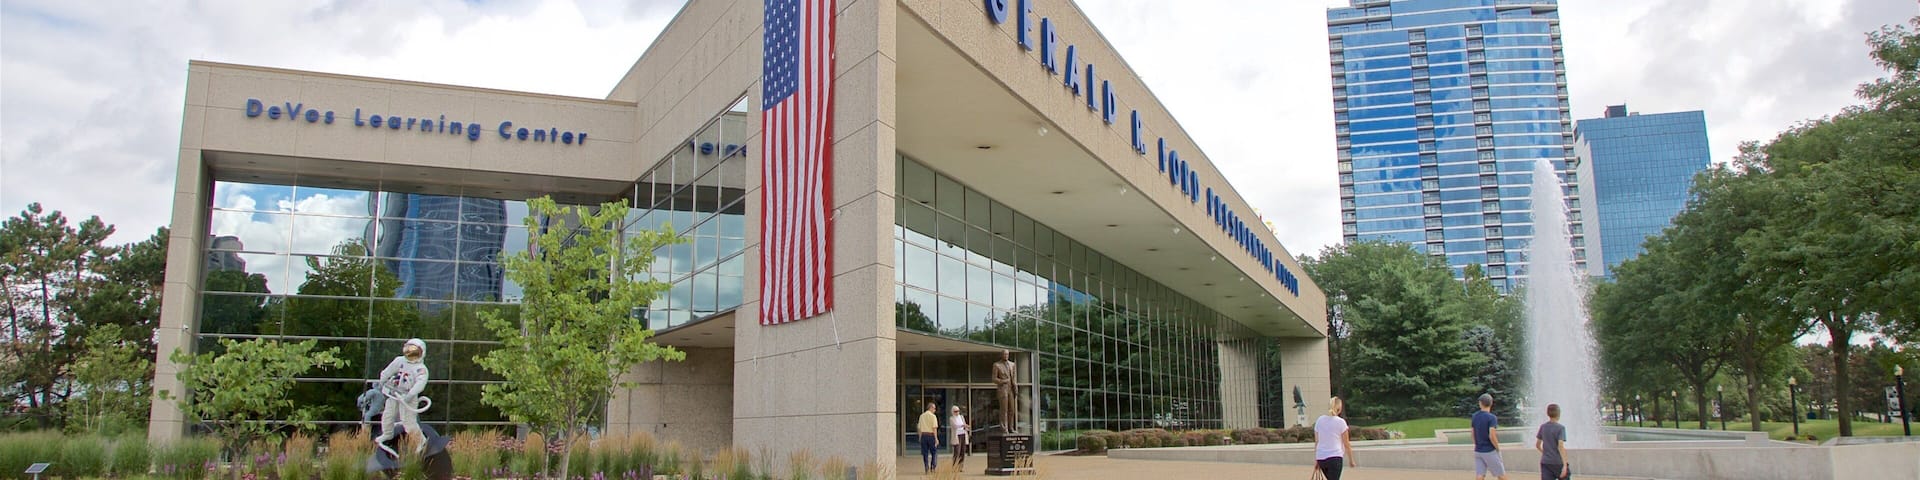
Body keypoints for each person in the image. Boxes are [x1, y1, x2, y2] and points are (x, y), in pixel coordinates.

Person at [373, 338, 431, 458]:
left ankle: (421, 441)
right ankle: (387, 433)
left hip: (407, 398)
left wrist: (409, 396)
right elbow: (388, 371)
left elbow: (420, 384)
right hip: (394, 393)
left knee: (408, 422)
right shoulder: (400, 361)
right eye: (408, 350)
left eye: (414, 351)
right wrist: (382, 380)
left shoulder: (421, 369)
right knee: (388, 415)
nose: (410, 353)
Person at [1312, 397, 1356, 480]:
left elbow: (1317, 442)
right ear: (1339, 408)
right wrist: (1351, 460)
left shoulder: (1320, 420)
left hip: (1321, 458)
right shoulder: (1341, 422)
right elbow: (1346, 443)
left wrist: (1317, 459)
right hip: (1335, 456)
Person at [1472, 393, 1509, 480]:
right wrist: (1497, 448)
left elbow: (1472, 433)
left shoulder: (1475, 416)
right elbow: (1492, 435)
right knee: (1501, 474)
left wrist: (1477, 444)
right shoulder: (1492, 418)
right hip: (1489, 450)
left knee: (1480, 475)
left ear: (1480, 403)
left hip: (1478, 450)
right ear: (1491, 403)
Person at [1535, 403, 1569, 480]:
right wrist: (1565, 465)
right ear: (1559, 414)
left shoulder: (1543, 427)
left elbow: (1537, 445)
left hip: (1546, 462)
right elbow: (1560, 446)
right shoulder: (1560, 428)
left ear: (1548, 414)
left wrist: (1545, 452)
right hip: (1558, 462)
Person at [992, 350, 1018, 432]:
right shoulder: (997, 365)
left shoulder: (1012, 364)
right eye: (1004, 354)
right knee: (1004, 410)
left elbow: (1013, 378)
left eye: (1007, 354)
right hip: (1003, 389)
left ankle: (1011, 427)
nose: (1006, 355)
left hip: (1011, 389)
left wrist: (1015, 386)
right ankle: (1004, 428)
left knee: (1012, 409)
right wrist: (1003, 381)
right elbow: (994, 379)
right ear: (1001, 355)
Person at [917, 401, 940, 474]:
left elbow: (919, 428)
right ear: (931, 408)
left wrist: (920, 437)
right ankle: (933, 467)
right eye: (934, 408)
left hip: (924, 435)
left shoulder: (922, 416)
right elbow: (934, 428)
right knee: (934, 452)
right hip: (931, 435)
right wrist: (936, 438)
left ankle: (926, 467)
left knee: (925, 453)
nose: (935, 410)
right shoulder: (933, 416)